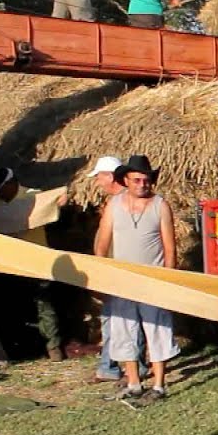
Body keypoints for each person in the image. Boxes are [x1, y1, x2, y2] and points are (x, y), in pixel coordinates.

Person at [93, 155, 179, 400]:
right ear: (126, 181)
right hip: (123, 281)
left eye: (146, 180)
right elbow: (102, 243)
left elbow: (170, 247)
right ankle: (133, 383)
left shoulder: (160, 205)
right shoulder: (114, 205)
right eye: (137, 180)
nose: (143, 184)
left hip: (153, 279)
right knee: (124, 331)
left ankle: (159, 385)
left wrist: (169, 280)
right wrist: (101, 276)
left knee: (158, 330)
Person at [0, 167, 67, 361]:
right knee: (12, 307)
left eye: (1, 189)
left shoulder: (34, 197)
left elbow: (55, 203)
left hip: (38, 261)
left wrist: (59, 201)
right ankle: (21, 349)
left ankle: (53, 346)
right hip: (8, 264)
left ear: (12, 183)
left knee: (44, 305)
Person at [87, 156, 149, 385]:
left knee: (129, 320)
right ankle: (109, 367)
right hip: (112, 270)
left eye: (99, 177)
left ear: (110, 176)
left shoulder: (130, 202)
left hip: (124, 271)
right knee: (111, 320)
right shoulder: (114, 203)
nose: (97, 182)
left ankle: (135, 368)